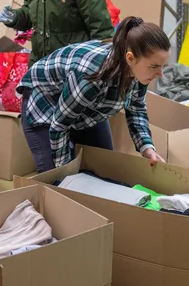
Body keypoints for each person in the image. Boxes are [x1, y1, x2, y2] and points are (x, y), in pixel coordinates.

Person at [17, 16, 170, 172]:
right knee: (57, 181)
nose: (160, 73)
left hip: (84, 106)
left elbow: (136, 108)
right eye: (154, 66)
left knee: (103, 170)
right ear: (130, 58)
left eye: (162, 66)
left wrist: (147, 147)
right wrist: (65, 172)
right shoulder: (91, 76)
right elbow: (60, 125)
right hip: (45, 101)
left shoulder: (140, 72)